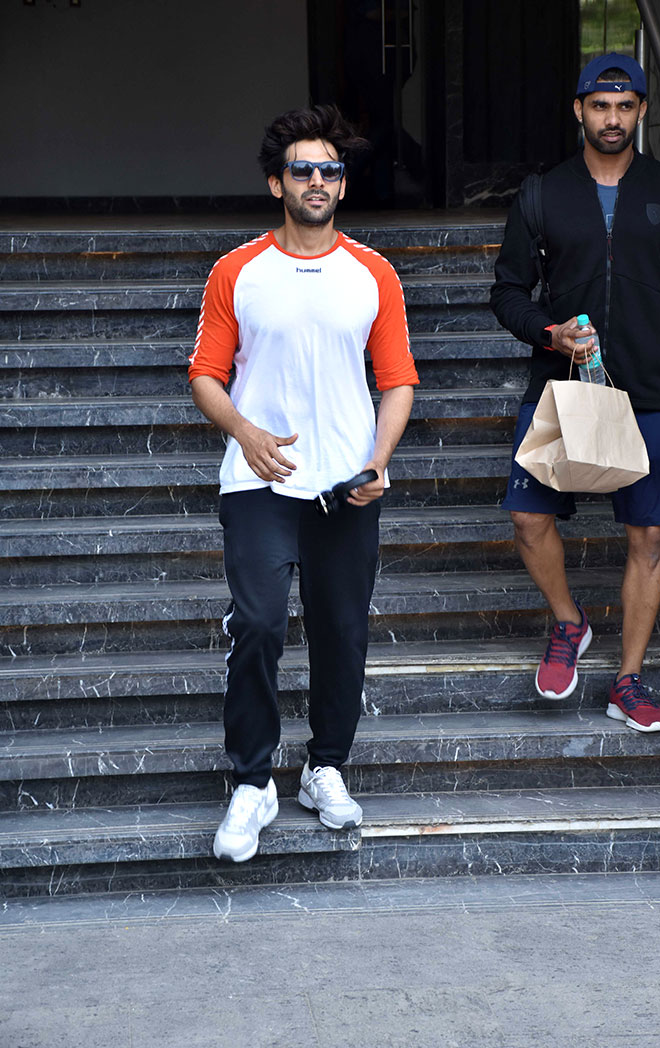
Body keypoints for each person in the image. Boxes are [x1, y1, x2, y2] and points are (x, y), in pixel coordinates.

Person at [188, 104, 419, 862]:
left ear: (343, 186)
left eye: (330, 170)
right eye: (302, 169)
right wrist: (245, 434)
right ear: (275, 182)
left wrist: (379, 459)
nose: (317, 180)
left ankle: (325, 768)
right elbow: (205, 375)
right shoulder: (238, 271)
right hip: (258, 482)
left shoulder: (373, 274)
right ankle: (251, 784)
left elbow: (399, 381)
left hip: (345, 484)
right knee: (257, 623)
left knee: (342, 634)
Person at [491, 53, 660, 733]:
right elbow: (508, 292)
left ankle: (628, 681)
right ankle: (569, 623)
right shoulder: (542, 193)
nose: (613, 118)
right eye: (600, 105)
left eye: (626, 105)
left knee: (648, 536)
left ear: (642, 111)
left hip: (648, 390)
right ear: (578, 110)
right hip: (560, 385)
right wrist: (550, 335)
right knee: (528, 518)